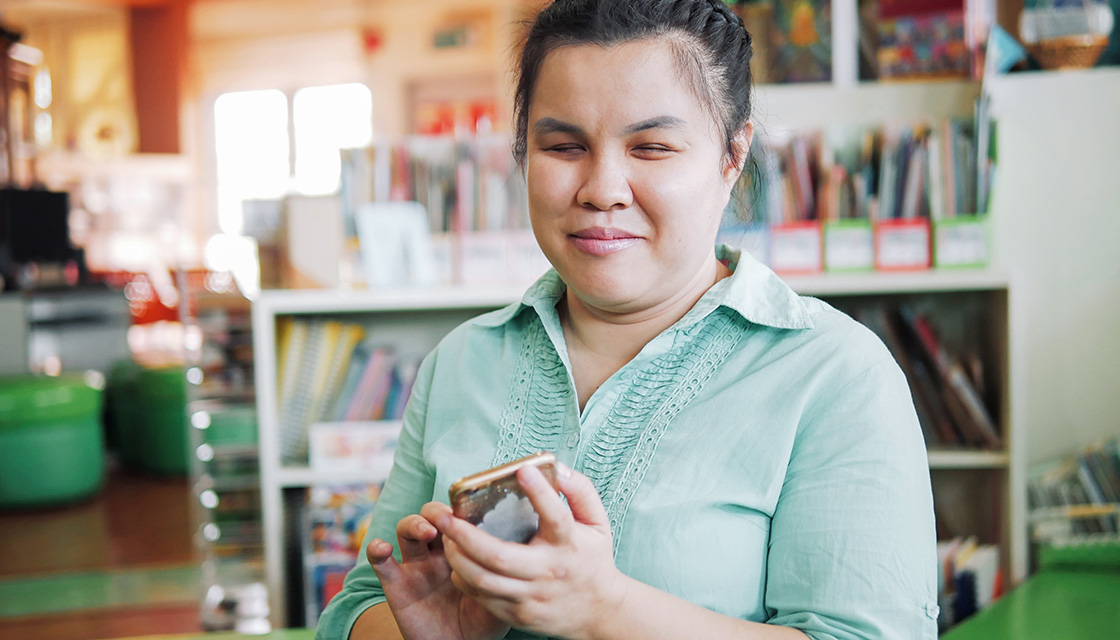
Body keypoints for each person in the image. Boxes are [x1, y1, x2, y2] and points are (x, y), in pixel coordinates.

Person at [317, 0, 938, 638]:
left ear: (732, 156)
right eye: (564, 146)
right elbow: (353, 609)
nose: (602, 189)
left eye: (652, 147)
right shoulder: (462, 360)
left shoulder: (838, 375)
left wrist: (604, 608)